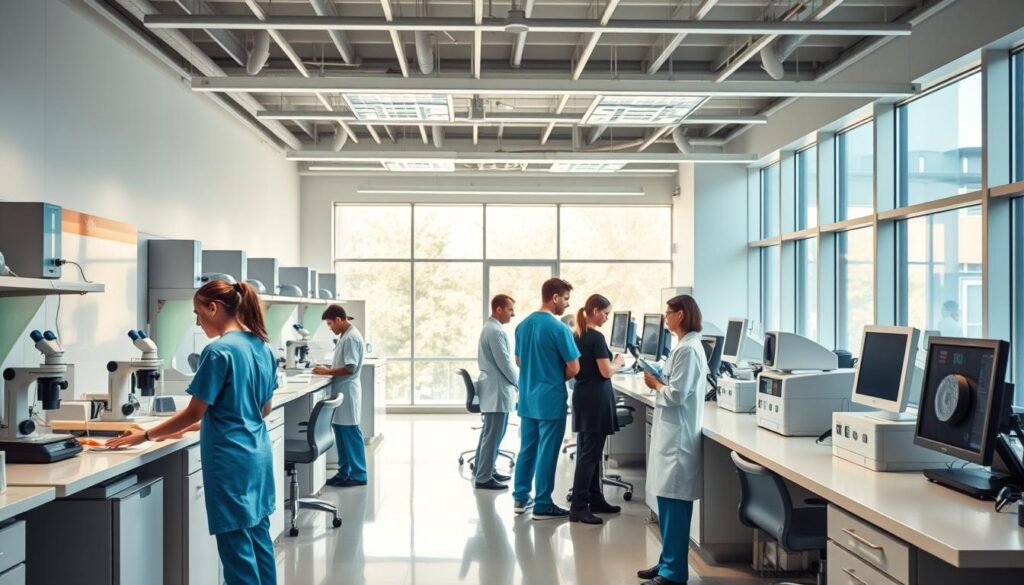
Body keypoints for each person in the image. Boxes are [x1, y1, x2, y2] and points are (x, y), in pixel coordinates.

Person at [108, 280, 278, 585]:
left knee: (237, 550)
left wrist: (145, 435)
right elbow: (260, 409)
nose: (198, 322)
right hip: (258, 456)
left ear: (213, 308)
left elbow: (193, 412)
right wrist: (183, 430)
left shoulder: (218, 351)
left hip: (230, 460)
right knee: (259, 540)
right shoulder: (262, 347)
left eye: (198, 313)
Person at [637, 295, 708, 585]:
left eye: (669, 313)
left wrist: (655, 383)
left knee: (675, 508)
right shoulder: (683, 346)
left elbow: (677, 395)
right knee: (666, 504)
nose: (665, 317)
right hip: (671, 436)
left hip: (678, 441)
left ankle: (674, 573)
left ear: (681, 314)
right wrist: (659, 377)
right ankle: (667, 561)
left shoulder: (689, 350)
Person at [512, 278, 581, 520]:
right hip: (550, 399)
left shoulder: (522, 326)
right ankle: (542, 504)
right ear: (555, 298)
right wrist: (552, 375)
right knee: (547, 452)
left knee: (527, 449)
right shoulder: (559, 329)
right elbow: (574, 367)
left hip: (528, 398)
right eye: (566, 299)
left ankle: (520, 498)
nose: (567, 304)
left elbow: (519, 361)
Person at [569, 294, 626, 525]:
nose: (607, 318)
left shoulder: (577, 335)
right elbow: (606, 371)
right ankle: (579, 507)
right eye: (605, 313)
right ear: (594, 311)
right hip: (596, 400)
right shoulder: (596, 338)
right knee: (590, 455)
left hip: (584, 397)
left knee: (589, 452)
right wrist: (618, 362)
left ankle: (595, 498)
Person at [313, 304, 367, 488]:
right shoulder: (345, 335)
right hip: (341, 390)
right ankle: (344, 472)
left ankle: (359, 474)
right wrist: (328, 368)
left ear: (339, 319)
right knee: (341, 434)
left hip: (348, 390)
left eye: (330, 324)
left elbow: (350, 368)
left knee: (350, 433)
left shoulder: (351, 338)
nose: (330, 328)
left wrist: (327, 371)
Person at [474, 294, 520, 490]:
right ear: (498, 309)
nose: (513, 314)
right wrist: (520, 384)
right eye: (510, 309)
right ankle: (484, 477)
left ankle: (484, 470)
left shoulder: (491, 328)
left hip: (495, 390)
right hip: (497, 391)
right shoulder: (494, 331)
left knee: (489, 434)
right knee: (493, 435)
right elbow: (505, 364)